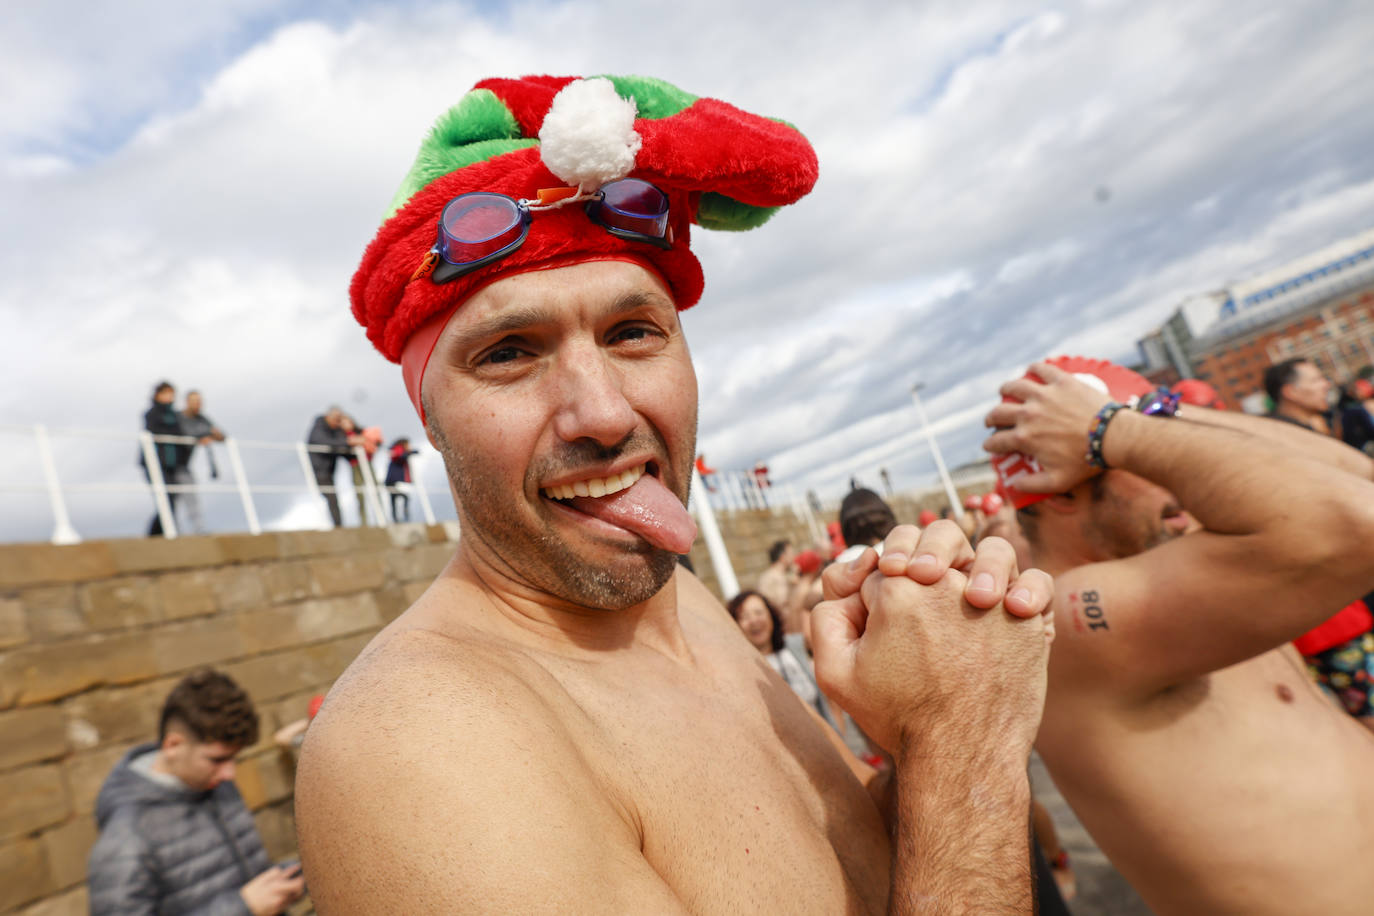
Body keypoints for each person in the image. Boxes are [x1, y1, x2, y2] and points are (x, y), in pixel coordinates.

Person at [296, 74, 1055, 912]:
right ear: (430, 420)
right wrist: (967, 750)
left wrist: (936, 708)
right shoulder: (421, 742)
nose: (605, 413)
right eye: (510, 352)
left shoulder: (685, 603)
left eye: (632, 334)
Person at [984, 355, 1374, 915]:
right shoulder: (1059, 621)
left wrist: (1156, 411)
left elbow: (1356, 475)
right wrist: (1111, 428)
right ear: (1064, 493)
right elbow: (1359, 519)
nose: (1182, 480)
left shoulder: (1179, 562)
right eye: (1141, 452)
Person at [87, 669, 306, 916]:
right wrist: (242, 908)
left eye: (234, 758)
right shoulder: (126, 835)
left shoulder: (214, 783)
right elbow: (245, 901)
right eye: (217, 759)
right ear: (173, 745)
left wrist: (286, 882)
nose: (229, 774)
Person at [727, 589, 839, 732]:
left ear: (771, 615)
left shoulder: (795, 646)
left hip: (827, 741)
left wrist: (838, 733)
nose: (754, 620)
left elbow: (829, 699)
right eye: (744, 616)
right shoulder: (741, 669)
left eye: (759, 612)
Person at [174, 390, 226, 535]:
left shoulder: (202, 419)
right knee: (170, 500)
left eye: (199, 401)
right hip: (169, 465)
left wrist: (212, 435)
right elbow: (181, 433)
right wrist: (199, 437)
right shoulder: (177, 417)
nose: (197, 404)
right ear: (187, 402)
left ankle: (198, 530)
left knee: (191, 498)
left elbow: (222, 436)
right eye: (194, 401)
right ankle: (171, 533)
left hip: (184, 466)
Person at [141, 381, 183, 537]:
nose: (170, 397)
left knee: (172, 498)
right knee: (165, 499)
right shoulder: (152, 413)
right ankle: (156, 534)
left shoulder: (175, 415)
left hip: (172, 464)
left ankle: (158, 535)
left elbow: (181, 434)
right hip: (156, 463)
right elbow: (153, 431)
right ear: (158, 394)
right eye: (167, 393)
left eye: (172, 393)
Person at [305, 407, 359, 527]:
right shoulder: (319, 427)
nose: (338, 422)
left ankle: (338, 525)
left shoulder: (335, 430)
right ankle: (338, 526)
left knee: (332, 497)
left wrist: (347, 432)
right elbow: (323, 441)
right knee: (331, 497)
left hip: (329, 470)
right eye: (337, 419)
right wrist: (348, 441)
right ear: (328, 417)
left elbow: (342, 445)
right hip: (319, 470)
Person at [1263, 356, 1333, 434]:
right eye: (1315, 380)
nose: (1326, 385)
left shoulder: (1313, 427)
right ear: (1291, 392)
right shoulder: (1280, 435)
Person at [754, 538, 797, 629]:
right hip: (782, 629)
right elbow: (780, 603)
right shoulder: (770, 577)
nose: (794, 556)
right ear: (782, 557)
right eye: (791, 554)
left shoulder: (784, 576)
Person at [384, 437, 420, 522]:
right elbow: (400, 456)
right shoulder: (398, 450)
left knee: (396, 498)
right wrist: (410, 452)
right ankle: (401, 517)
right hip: (394, 479)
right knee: (400, 497)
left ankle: (399, 518)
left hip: (394, 480)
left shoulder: (398, 450)